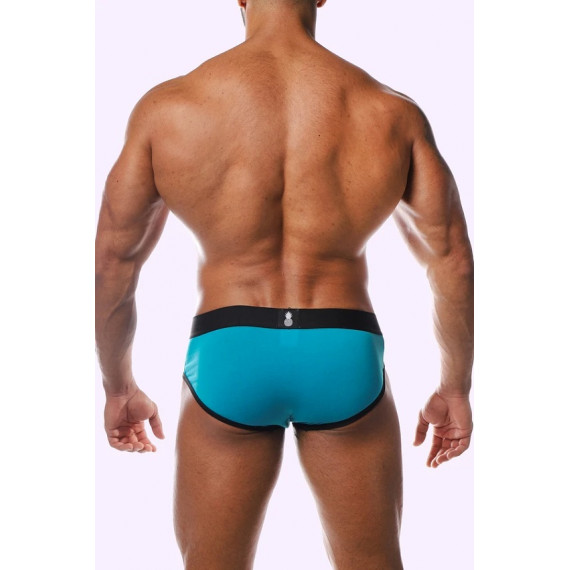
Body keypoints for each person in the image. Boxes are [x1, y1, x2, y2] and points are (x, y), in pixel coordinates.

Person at [95, 0, 474, 568]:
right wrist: (456, 387)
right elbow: (452, 261)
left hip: (230, 346)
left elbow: (113, 262)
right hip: (341, 347)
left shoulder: (169, 107)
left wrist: (117, 386)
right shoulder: (390, 111)